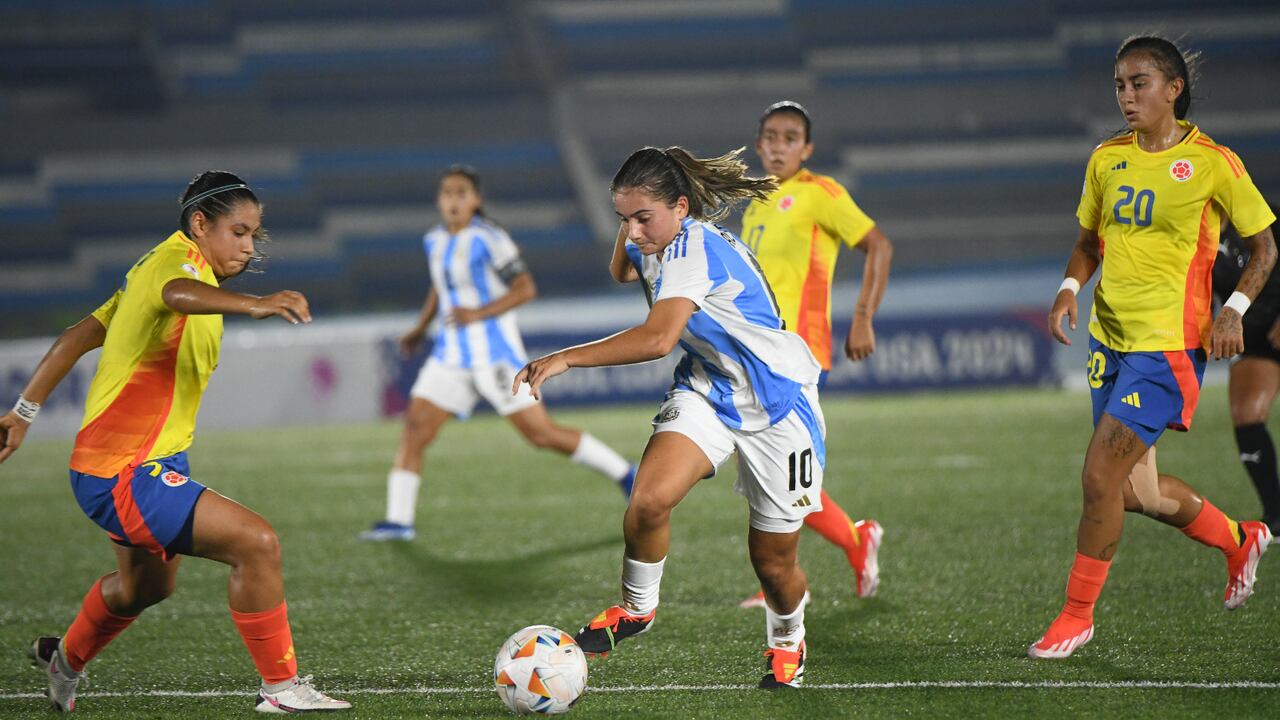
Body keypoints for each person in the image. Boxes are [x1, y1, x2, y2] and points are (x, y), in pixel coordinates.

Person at [0, 171, 350, 712]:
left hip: (126, 464)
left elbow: (78, 336)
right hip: (125, 472)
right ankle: (281, 690)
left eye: (254, 235)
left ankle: (64, 658)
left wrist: (22, 414)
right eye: (238, 231)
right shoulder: (174, 266)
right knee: (257, 545)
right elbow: (178, 294)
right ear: (199, 224)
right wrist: (255, 303)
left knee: (144, 589)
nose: (248, 246)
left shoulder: (149, 266)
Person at [514, 146, 824, 689]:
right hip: (709, 389)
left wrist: (565, 357)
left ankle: (788, 639)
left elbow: (658, 340)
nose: (632, 232)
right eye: (622, 219)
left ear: (681, 207)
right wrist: (634, 222)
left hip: (780, 405)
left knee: (773, 565)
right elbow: (620, 268)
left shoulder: (695, 246)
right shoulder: (655, 237)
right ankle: (637, 610)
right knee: (649, 500)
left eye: (642, 218)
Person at [1035, 36, 1276, 659]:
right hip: (1107, 340)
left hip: (1167, 348)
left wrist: (1234, 308)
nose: (1126, 96)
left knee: (1096, 478)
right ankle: (1240, 538)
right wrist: (1068, 290)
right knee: (1130, 494)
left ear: (1173, 89)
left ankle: (1076, 616)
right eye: (1119, 84)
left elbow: (1265, 249)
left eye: (1138, 83)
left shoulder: (1212, 162)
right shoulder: (1106, 159)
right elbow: (1090, 241)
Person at [360, 165, 635, 542]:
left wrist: (478, 313)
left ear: (476, 200)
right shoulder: (434, 240)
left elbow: (525, 289)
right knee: (414, 430)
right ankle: (398, 521)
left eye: (461, 193)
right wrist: (420, 328)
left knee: (541, 435)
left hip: (496, 358)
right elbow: (440, 288)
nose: (453, 200)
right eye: (447, 193)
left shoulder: (490, 238)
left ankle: (624, 473)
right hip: (450, 358)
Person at [735, 100, 892, 609]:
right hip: (755, 350)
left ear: (806, 148)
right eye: (771, 137)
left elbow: (879, 246)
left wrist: (863, 315)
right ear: (758, 144)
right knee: (768, 467)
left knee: (781, 467)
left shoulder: (819, 193)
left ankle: (845, 543)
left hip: (795, 351)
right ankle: (800, 565)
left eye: (790, 137)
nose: (779, 146)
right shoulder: (757, 200)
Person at [1213, 206, 1280, 535]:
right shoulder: (1193, 235)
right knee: (1247, 417)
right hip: (1252, 336)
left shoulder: (1264, 217)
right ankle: (1276, 515)